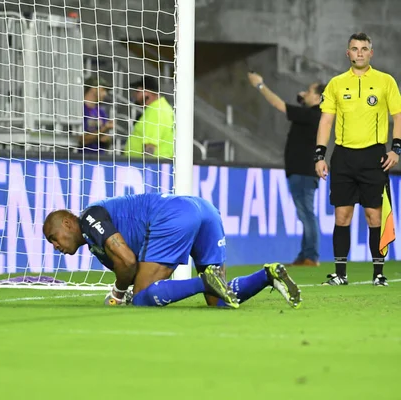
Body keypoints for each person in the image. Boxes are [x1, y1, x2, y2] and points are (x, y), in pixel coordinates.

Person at [43, 193, 302, 309]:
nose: (56, 246)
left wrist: (119, 292)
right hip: (204, 210)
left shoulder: (89, 217)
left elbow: (128, 261)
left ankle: (204, 281)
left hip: (173, 216)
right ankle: (267, 275)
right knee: (219, 300)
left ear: (68, 223)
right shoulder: (94, 242)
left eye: (54, 238)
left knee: (143, 298)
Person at [315, 32, 401, 286]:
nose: (360, 52)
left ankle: (378, 274)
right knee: (342, 216)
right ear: (348, 53)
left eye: (364, 48)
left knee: (374, 216)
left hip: (374, 156)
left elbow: (398, 116)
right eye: (355, 48)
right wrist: (320, 155)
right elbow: (326, 121)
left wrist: (396, 149)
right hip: (343, 156)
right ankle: (340, 274)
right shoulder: (336, 84)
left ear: (371, 53)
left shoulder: (385, 82)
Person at [247, 72, 325, 267]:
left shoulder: (311, 115)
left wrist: (260, 85)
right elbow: (300, 103)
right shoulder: (313, 115)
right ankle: (306, 254)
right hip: (301, 172)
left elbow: (278, 105)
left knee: (306, 213)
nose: (304, 93)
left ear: (317, 98)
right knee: (305, 213)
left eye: (309, 91)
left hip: (303, 172)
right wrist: (303, 98)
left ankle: (311, 256)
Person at [124, 76, 174, 158]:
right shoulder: (164, 107)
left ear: (147, 92)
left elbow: (150, 146)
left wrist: (146, 167)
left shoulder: (155, 111)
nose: (134, 95)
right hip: (162, 162)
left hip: (151, 165)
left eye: (137, 91)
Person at [81, 76, 113, 152]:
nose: (105, 94)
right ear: (93, 88)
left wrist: (106, 138)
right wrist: (103, 131)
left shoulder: (101, 112)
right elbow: (81, 140)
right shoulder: (79, 110)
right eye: (103, 90)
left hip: (99, 159)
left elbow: (107, 141)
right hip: (82, 158)